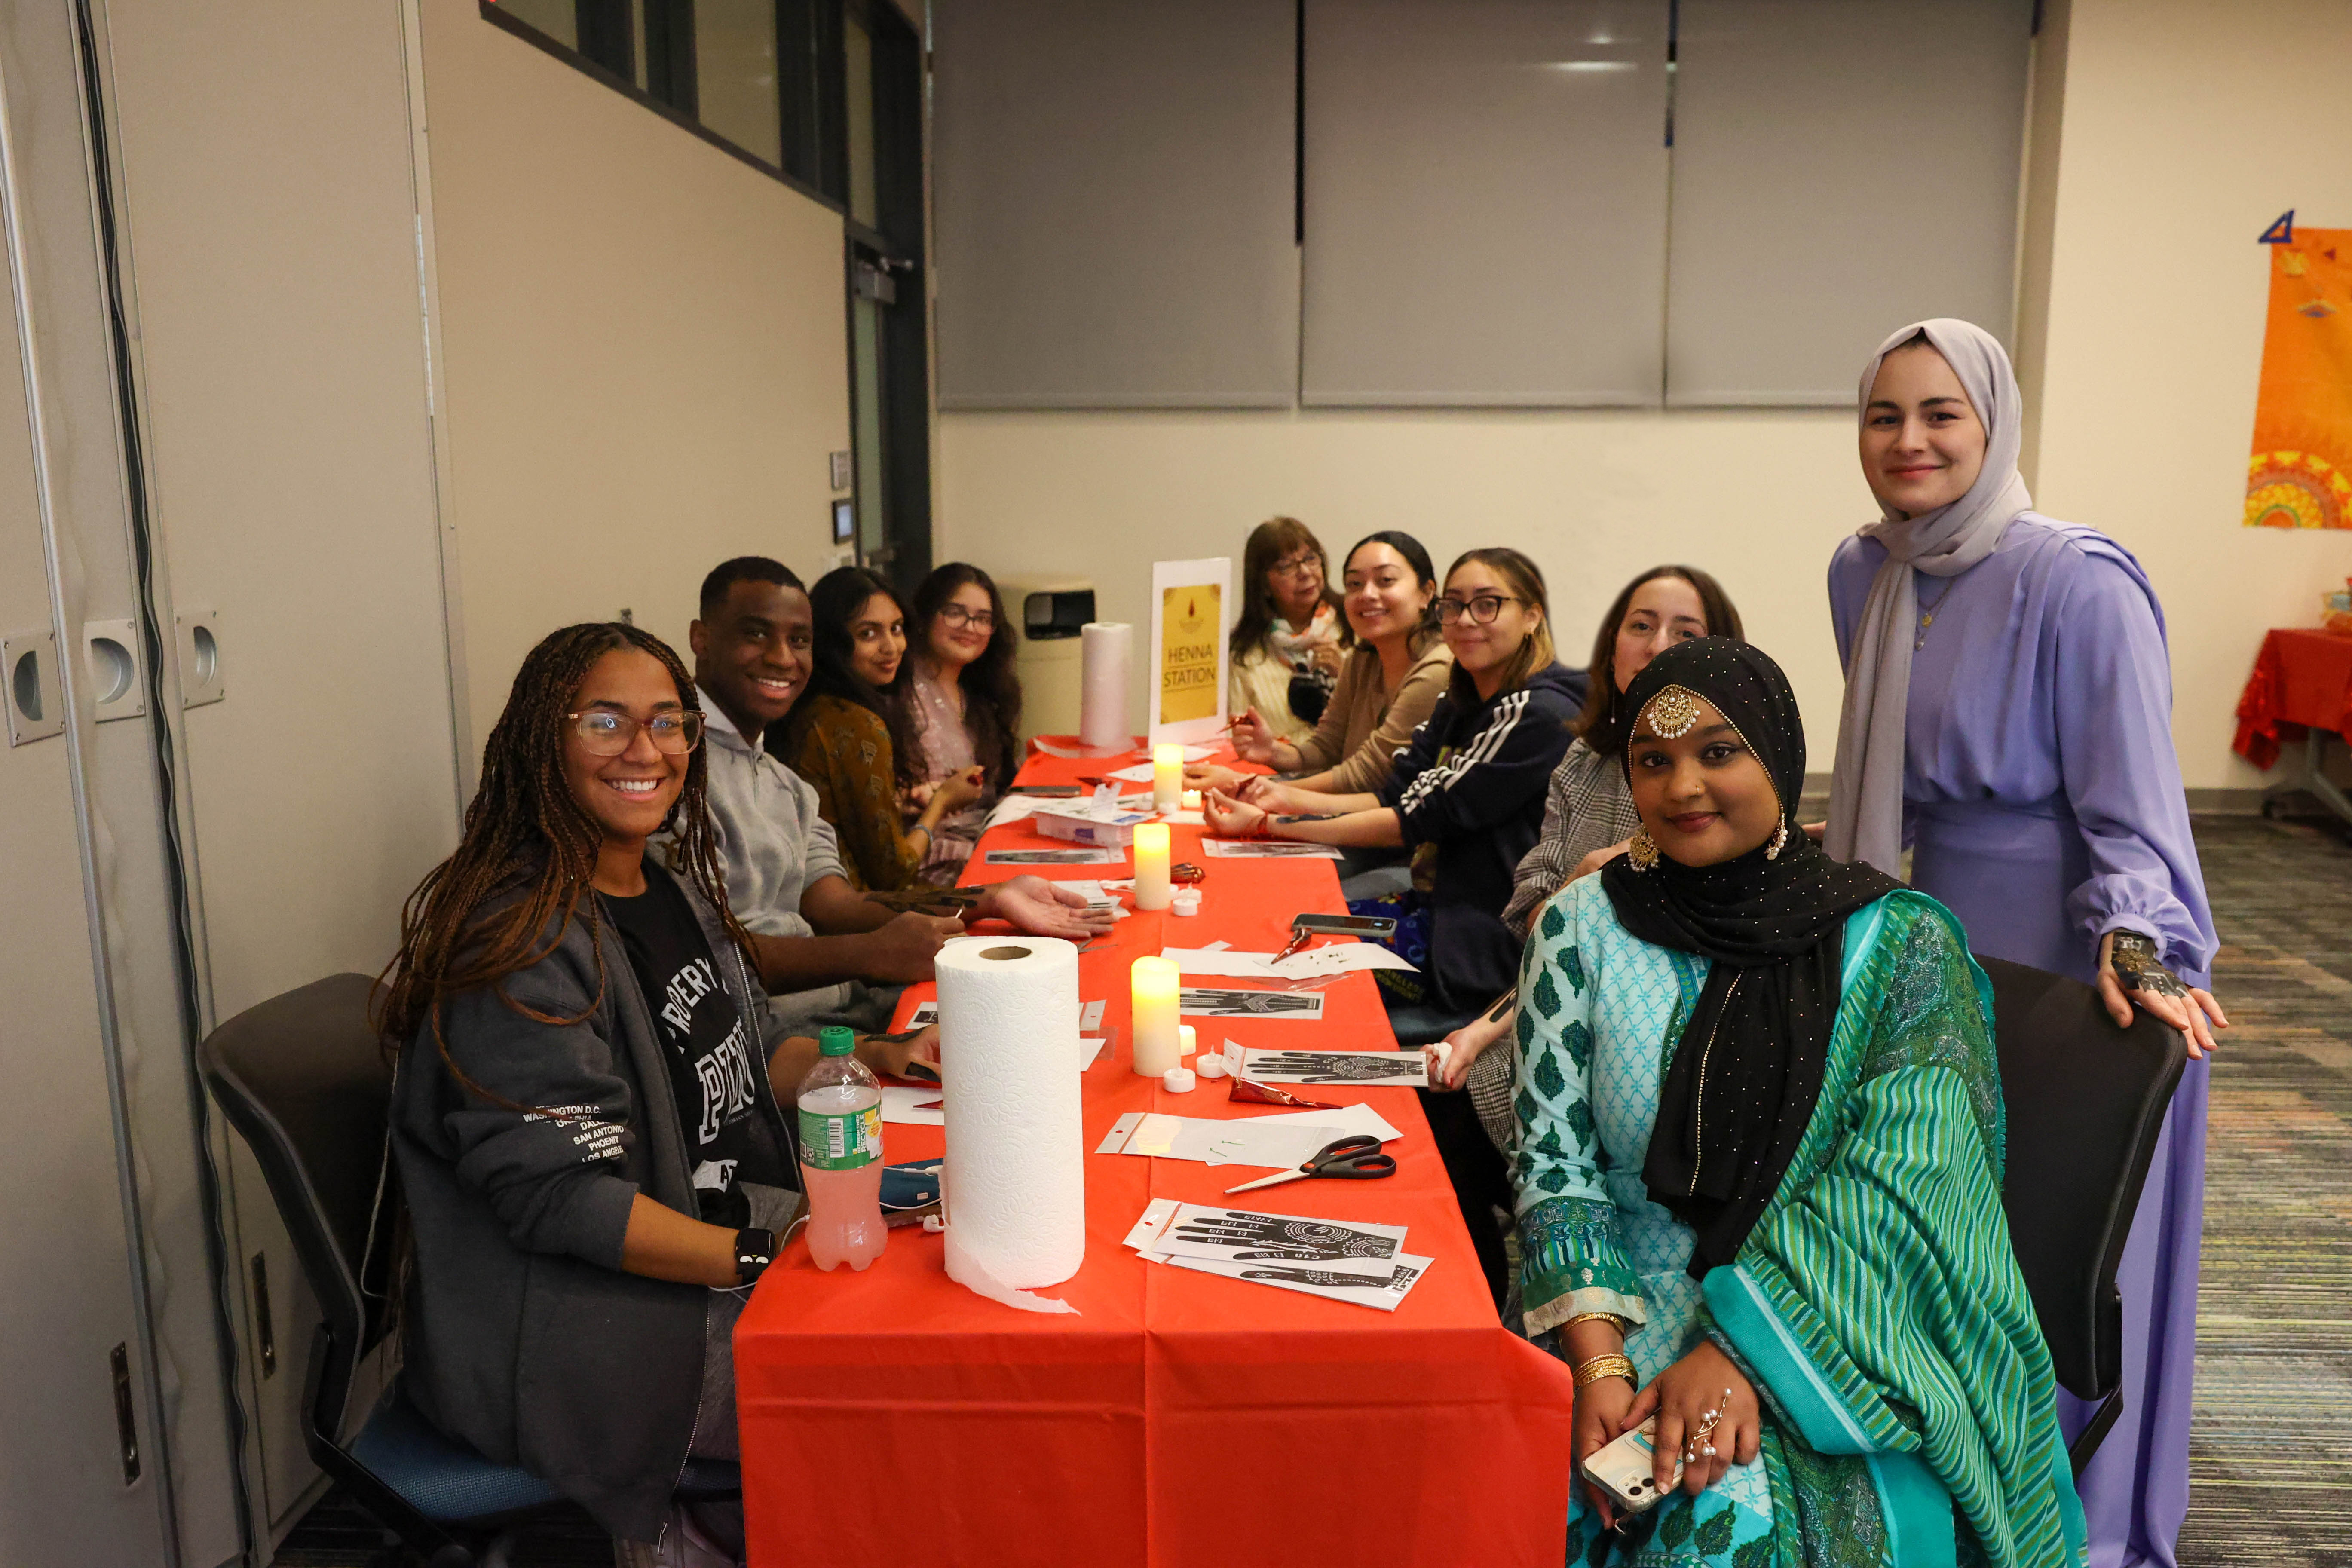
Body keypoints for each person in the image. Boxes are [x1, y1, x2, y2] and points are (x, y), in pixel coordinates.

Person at [377, 622, 940, 1561]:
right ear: (542, 742)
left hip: (710, 1239)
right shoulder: (518, 946)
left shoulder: (668, 885)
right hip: (580, 1335)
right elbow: (564, 1202)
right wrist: (763, 1258)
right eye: (605, 722)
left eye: (667, 723)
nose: (645, 750)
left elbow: (755, 1051)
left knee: (939, 1283)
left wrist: (883, 1058)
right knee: (907, 1394)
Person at [1519, 637, 2086, 1567]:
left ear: (1779, 757)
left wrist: (1744, 1356)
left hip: (1839, 1322)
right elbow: (1555, 1164)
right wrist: (1599, 1366)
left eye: (1719, 751)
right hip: (1620, 1299)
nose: (1683, 786)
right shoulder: (1584, 927)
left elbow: (1904, 1186)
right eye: (1653, 762)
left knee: (1717, 1532)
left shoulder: (1894, 945)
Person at [1825, 320, 2224, 1568]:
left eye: (1942, 413)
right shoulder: (1866, 570)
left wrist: (2135, 941)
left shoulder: (2080, 581)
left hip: (2071, 945)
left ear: (1993, 425)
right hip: (1940, 938)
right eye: (1887, 415)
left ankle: (2077, 1522)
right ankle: (1959, 1488)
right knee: (1943, 1235)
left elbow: (2134, 805)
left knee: (2054, 1248)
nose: (1911, 440)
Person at [1204, 547, 1581, 1304]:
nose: (1467, 621)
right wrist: (1275, 806)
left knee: (1318, 1020)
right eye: (1457, 606)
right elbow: (1399, 782)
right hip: (1431, 916)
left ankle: (1442, 1272)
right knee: (1281, 961)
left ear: (1532, 612)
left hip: (1477, 954)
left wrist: (1275, 820)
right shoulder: (1467, 693)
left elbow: (1418, 814)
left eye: (1490, 604)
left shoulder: (1535, 709)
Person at [694, 557, 1107, 1037]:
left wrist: (990, 899)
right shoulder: (679, 771)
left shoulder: (786, 783)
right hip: (775, 1034)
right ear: (701, 639)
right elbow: (705, 955)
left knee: (1057, 999)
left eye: (798, 641)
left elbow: (835, 905)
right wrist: (873, 953)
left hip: (841, 1000)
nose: (783, 657)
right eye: (756, 634)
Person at [1430, 565, 1745, 1161]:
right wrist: (1580, 885)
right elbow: (1540, 913)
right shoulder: (1587, 758)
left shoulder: (1730, 771)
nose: (1657, 648)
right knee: (1438, 1106)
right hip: (1555, 1000)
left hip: (1669, 1036)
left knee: (1464, 1113)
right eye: (1642, 626)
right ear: (1611, 648)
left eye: (1685, 633)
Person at [1188, 530, 1452, 802]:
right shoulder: (1363, 659)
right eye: (1354, 584)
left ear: (1427, 593)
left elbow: (1365, 775)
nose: (1368, 594)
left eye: (1386, 581)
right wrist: (1272, 751)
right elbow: (1325, 749)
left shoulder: (1436, 669)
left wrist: (1245, 783)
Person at [776, 567, 986, 893]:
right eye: (868, 634)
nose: (892, 647)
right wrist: (941, 802)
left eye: (897, 629)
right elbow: (895, 874)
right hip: (854, 915)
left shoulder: (813, 707)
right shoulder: (855, 724)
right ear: (833, 643)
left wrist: (900, 802)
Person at [902, 563, 1023, 885]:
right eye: (956, 612)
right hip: (931, 856)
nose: (970, 627)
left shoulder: (981, 692)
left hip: (985, 837)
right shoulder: (899, 691)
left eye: (983, 619)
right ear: (926, 614)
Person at [1226, 516, 1349, 746]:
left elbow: (1385, 716)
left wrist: (1344, 675)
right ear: (1263, 586)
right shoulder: (1243, 655)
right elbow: (1239, 742)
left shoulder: (1353, 623)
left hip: (1348, 771)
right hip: (1277, 773)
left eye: (1311, 559)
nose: (1305, 572)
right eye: (1286, 567)